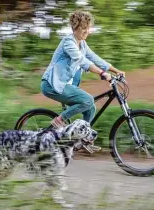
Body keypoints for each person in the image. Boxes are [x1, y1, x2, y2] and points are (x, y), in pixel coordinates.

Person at [41, 10, 125, 152]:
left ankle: (81, 139)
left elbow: (95, 58)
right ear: (75, 28)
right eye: (84, 28)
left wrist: (116, 70)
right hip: (52, 85)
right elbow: (81, 60)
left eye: (88, 28)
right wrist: (102, 73)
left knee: (90, 107)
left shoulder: (83, 44)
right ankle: (60, 120)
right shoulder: (68, 42)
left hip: (65, 85)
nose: (87, 31)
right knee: (87, 100)